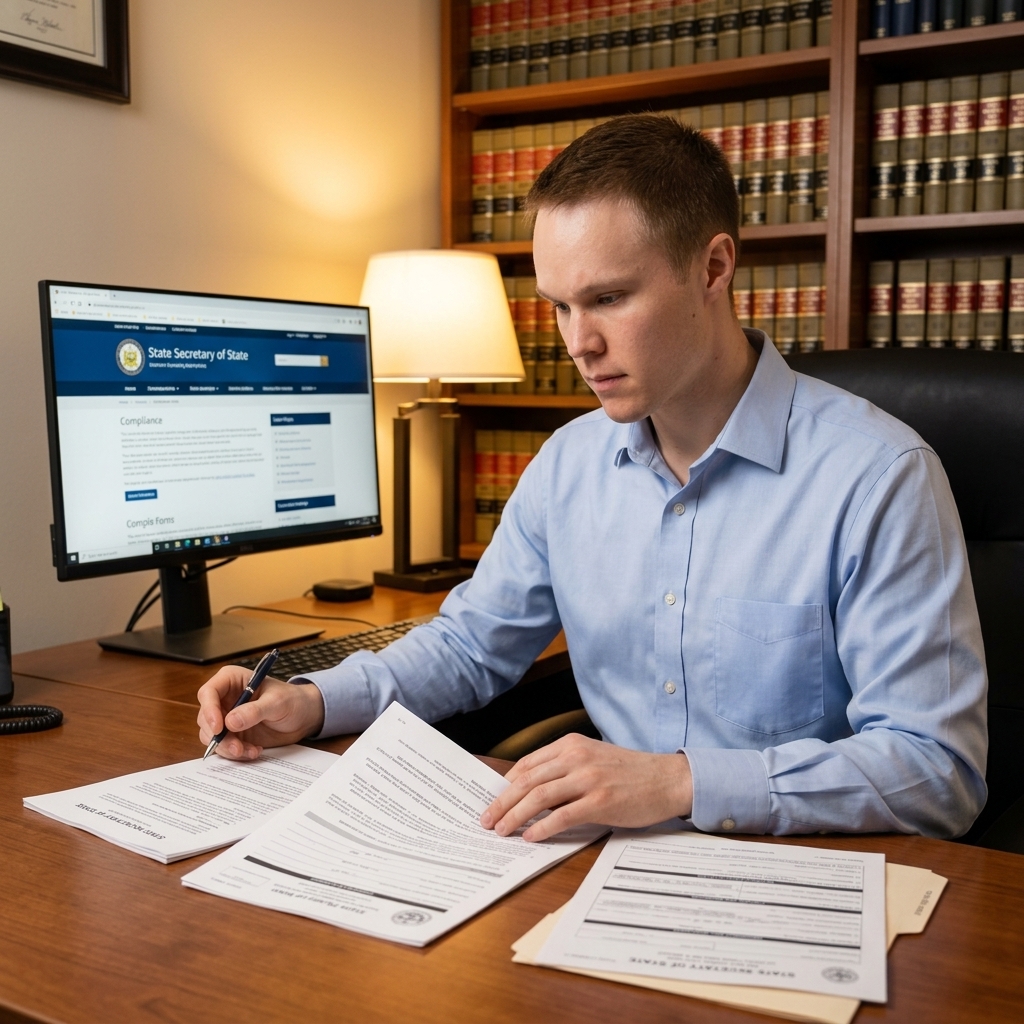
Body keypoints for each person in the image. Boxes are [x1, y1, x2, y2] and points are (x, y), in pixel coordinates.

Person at [198, 114, 987, 844]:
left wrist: (679, 782)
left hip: (805, 877)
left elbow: (936, 771)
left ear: (713, 267)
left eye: (608, 298)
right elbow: (471, 646)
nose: (580, 342)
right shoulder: (569, 465)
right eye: (560, 307)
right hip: (605, 865)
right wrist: (314, 701)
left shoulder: (879, 476)